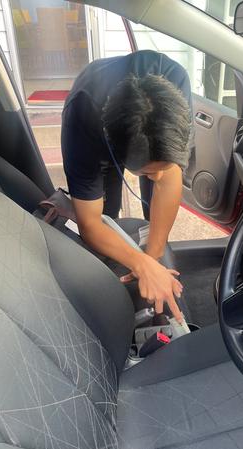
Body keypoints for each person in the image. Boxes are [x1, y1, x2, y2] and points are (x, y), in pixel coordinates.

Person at [61, 50, 192, 323]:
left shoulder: (176, 81)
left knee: (162, 183)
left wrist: (152, 259)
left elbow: (169, 177)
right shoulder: (82, 118)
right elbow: (89, 222)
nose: (157, 177)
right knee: (107, 213)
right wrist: (139, 264)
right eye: (147, 172)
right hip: (94, 119)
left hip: (146, 110)